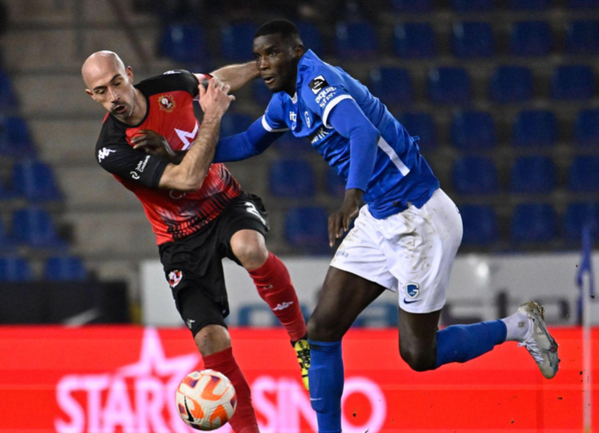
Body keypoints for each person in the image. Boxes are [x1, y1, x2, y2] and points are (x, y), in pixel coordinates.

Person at [196, 19, 559, 433]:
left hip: (419, 218)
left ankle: (521, 326)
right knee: (322, 329)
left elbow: (362, 134)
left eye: (273, 53)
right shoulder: (286, 99)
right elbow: (247, 142)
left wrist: (352, 195)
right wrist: (184, 152)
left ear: (297, 52)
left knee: (419, 354)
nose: (263, 64)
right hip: (380, 215)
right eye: (259, 56)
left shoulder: (318, 83)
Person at [82, 51, 309, 433]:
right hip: (180, 240)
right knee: (209, 340)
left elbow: (216, 81)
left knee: (249, 249)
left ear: (130, 75)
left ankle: (302, 341)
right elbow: (186, 180)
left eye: (117, 83)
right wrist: (214, 115)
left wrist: (263, 66)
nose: (113, 97)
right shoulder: (112, 149)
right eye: (101, 92)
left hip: (225, 204)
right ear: (92, 96)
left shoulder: (168, 87)